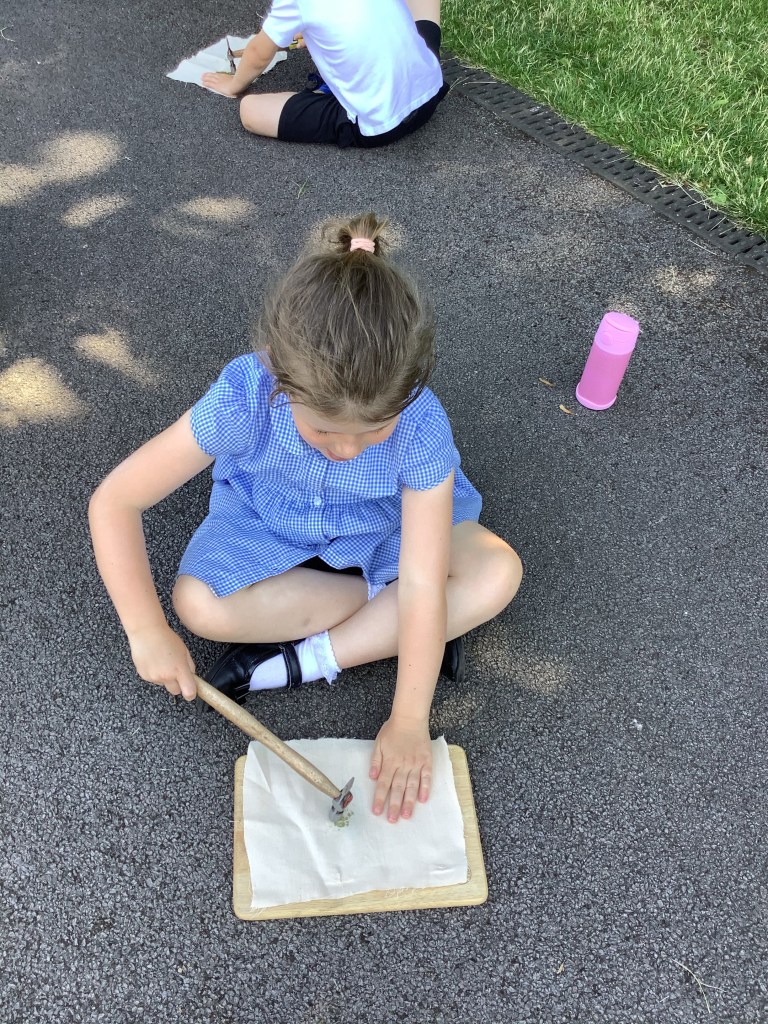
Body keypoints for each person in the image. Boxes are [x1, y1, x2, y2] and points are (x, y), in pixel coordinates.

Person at [89, 213, 522, 823]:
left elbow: (423, 581)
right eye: (323, 431)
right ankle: (400, 628)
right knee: (198, 606)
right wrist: (146, 630)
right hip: (269, 520)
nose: (347, 450)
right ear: (280, 380)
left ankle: (303, 661)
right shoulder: (246, 394)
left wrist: (409, 719)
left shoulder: (421, 422)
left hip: (387, 527)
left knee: (497, 572)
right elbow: (116, 501)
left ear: (407, 394)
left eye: (374, 432)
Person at [200, 0, 450, 148]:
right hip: (428, 91)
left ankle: (325, 96)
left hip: (379, 124)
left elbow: (258, 53)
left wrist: (234, 85)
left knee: (250, 110)